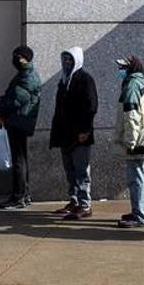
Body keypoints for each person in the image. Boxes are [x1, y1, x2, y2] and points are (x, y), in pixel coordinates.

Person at [49, 47, 98, 220]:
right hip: (65, 134)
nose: (66, 63)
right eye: (64, 60)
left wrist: (85, 130)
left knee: (81, 170)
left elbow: (91, 106)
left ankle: (85, 205)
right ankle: (74, 200)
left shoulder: (85, 79)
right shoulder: (64, 80)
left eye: (70, 60)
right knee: (70, 170)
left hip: (80, 135)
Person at [0, 46, 41, 210]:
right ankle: (23, 195)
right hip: (19, 120)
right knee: (21, 159)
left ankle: (18, 197)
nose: (16, 60)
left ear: (26, 58)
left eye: (19, 57)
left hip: (19, 121)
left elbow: (16, 99)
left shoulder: (28, 76)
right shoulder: (24, 74)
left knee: (19, 160)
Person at [113, 56, 144, 229]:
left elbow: (131, 116)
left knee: (137, 178)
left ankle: (139, 215)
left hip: (136, 140)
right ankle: (138, 211)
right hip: (140, 137)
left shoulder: (132, 85)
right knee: (137, 177)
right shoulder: (138, 82)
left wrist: (130, 142)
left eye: (123, 67)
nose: (120, 70)